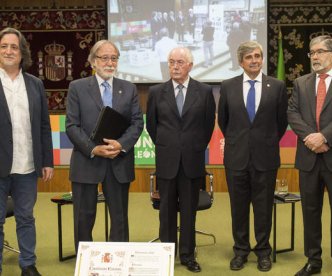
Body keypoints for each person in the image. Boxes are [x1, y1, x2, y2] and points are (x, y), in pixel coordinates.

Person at [287, 35, 332, 276]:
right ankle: (313, 261)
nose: (315, 57)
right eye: (312, 53)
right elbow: (293, 113)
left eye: (320, 52)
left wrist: (325, 137)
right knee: (310, 211)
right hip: (309, 157)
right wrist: (312, 138)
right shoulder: (301, 82)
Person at [65, 40, 143, 251]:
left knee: (119, 217)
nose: (109, 62)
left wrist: (121, 144)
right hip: (86, 161)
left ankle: (118, 258)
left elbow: (137, 122)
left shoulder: (129, 88)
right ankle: (85, 261)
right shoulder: (77, 88)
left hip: (119, 162)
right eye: (104, 58)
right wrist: (93, 148)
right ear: (93, 61)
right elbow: (72, 126)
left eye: (114, 58)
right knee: (84, 217)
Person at [218, 41, 288, 272]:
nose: (255, 60)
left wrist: (263, 141)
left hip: (265, 157)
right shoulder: (227, 86)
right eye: (249, 57)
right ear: (240, 62)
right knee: (238, 208)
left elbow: (281, 122)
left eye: (258, 56)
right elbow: (224, 121)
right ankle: (240, 251)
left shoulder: (276, 86)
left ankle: (263, 252)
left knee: (263, 207)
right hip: (236, 157)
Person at [146, 47, 215, 273]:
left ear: (190, 66)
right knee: (166, 212)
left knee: (188, 212)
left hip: (192, 161)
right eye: (171, 62)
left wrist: (192, 146)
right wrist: (169, 146)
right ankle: (165, 255)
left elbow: (207, 126)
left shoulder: (204, 91)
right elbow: (152, 126)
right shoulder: (156, 92)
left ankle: (187, 256)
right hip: (166, 161)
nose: (175, 66)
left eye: (180, 62)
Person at [0, 27, 54, 276]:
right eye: (4, 46)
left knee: (26, 218)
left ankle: (28, 265)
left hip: (27, 166)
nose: (9, 51)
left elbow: (44, 124)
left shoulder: (35, 85)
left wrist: (47, 161)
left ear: (22, 53)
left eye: (14, 47)